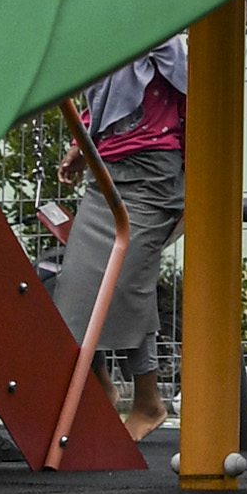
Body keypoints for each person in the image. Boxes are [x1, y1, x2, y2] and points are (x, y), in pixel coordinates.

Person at [50, 32, 187, 443]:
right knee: (75, 285)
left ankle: (148, 402)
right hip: (105, 175)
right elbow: (103, 103)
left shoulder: (170, 47)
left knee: (126, 284)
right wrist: (80, 144)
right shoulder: (109, 41)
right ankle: (103, 387)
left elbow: (197, 105)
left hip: (153, 177)